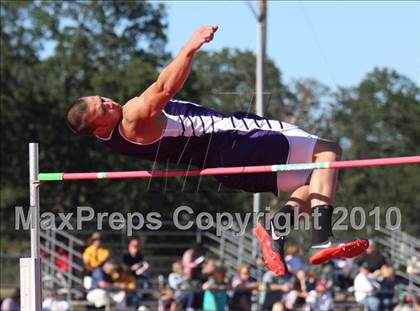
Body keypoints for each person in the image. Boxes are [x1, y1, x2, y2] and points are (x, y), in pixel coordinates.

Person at [67, 25, 368, 276]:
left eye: (102, 98)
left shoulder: (109, 139)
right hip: (235, 138)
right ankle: (322, 240)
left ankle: (278, 226)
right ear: (100, 128)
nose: (109, 103)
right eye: (102, 109)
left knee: (320, 180)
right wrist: (191, 46)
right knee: (328, 152)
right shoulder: (132, 116)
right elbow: (163, 88)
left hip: (223, 168)